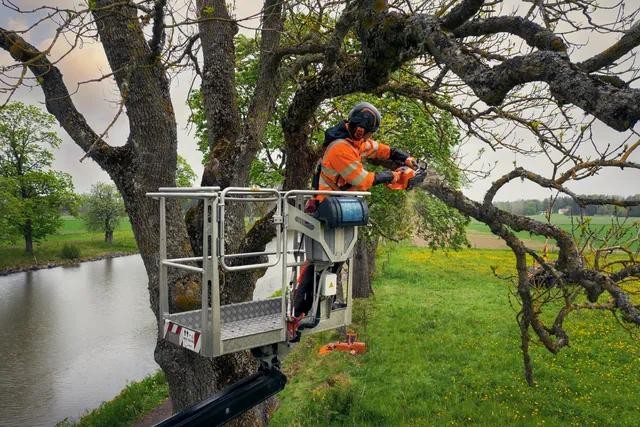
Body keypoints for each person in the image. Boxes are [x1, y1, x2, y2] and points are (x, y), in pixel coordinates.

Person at [294, 102, 418, 324]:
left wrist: (403, 157)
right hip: (326, 207)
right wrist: (392, 176)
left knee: (336, 260)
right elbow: (361, 180)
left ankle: (324, 302)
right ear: (360, 130)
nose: (369, 137)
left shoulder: (354, 143)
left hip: (338, 207)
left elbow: (377, 148)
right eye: (368, 132)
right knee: (321, 261)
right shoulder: (340, 149)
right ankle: (302, 310)